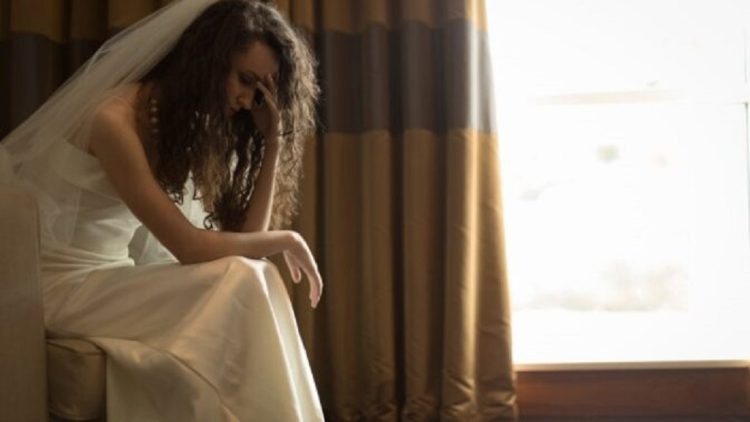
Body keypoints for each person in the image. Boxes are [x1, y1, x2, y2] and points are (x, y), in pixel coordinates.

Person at [0, 0, 324, 420]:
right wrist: (288, 238)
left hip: (111, 278)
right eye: (244, 80)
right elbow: (189, 247)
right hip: (62, 288)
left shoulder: (177, 124)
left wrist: (272, 145)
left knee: (251, 273)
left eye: (260, 91)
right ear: (206, 61)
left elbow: (245, 244)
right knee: (245, 276)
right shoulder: (112, 121)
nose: (248, 101)